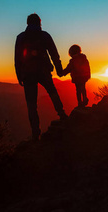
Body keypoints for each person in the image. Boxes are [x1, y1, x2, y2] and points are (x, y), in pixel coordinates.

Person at [14, 13, 68, 141]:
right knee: (52, 92)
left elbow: (17, 58)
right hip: (43, 71)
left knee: (31, 104)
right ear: (39, 22)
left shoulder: (21, 37)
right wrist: (59, 70)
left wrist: (19, 76)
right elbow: (54, 54)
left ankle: (35, 133)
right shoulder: (45, 35)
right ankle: (62, 114)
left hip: (27, 73)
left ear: (27, 23)